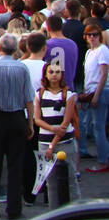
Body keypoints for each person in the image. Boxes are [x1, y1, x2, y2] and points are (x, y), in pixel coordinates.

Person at [0, 33, 37, 220]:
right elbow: (29, 97)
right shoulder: (22, 68)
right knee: (15, 164)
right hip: (17, 116)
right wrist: (30, 122)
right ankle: (14, 208)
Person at [33, 60, 80, 200]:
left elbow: (65, 124)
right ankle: (55, 214)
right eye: (51, 72)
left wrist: (52, 144)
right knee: (50, 182)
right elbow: (37, 119)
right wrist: (52, 128)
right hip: (44, 141)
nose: (54, 75)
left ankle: (77, 211)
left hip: (64, 142)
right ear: (46, 75)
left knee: (71, 178)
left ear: (62, 74)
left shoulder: (69, 94)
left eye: (57, 72)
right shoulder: (40, 94)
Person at [79, 22, 109, 173]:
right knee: (90, 125)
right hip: (90, 91)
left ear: (99, 36)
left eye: (95, 35)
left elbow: (104, 74)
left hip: (100, 92)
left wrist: (96, 95)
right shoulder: (89, 52)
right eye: (89, 35)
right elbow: (88, 76)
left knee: (98, 127)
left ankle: (103, 160)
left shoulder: (102, 50)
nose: (92, 37)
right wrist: (85, 95)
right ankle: (104, 158)